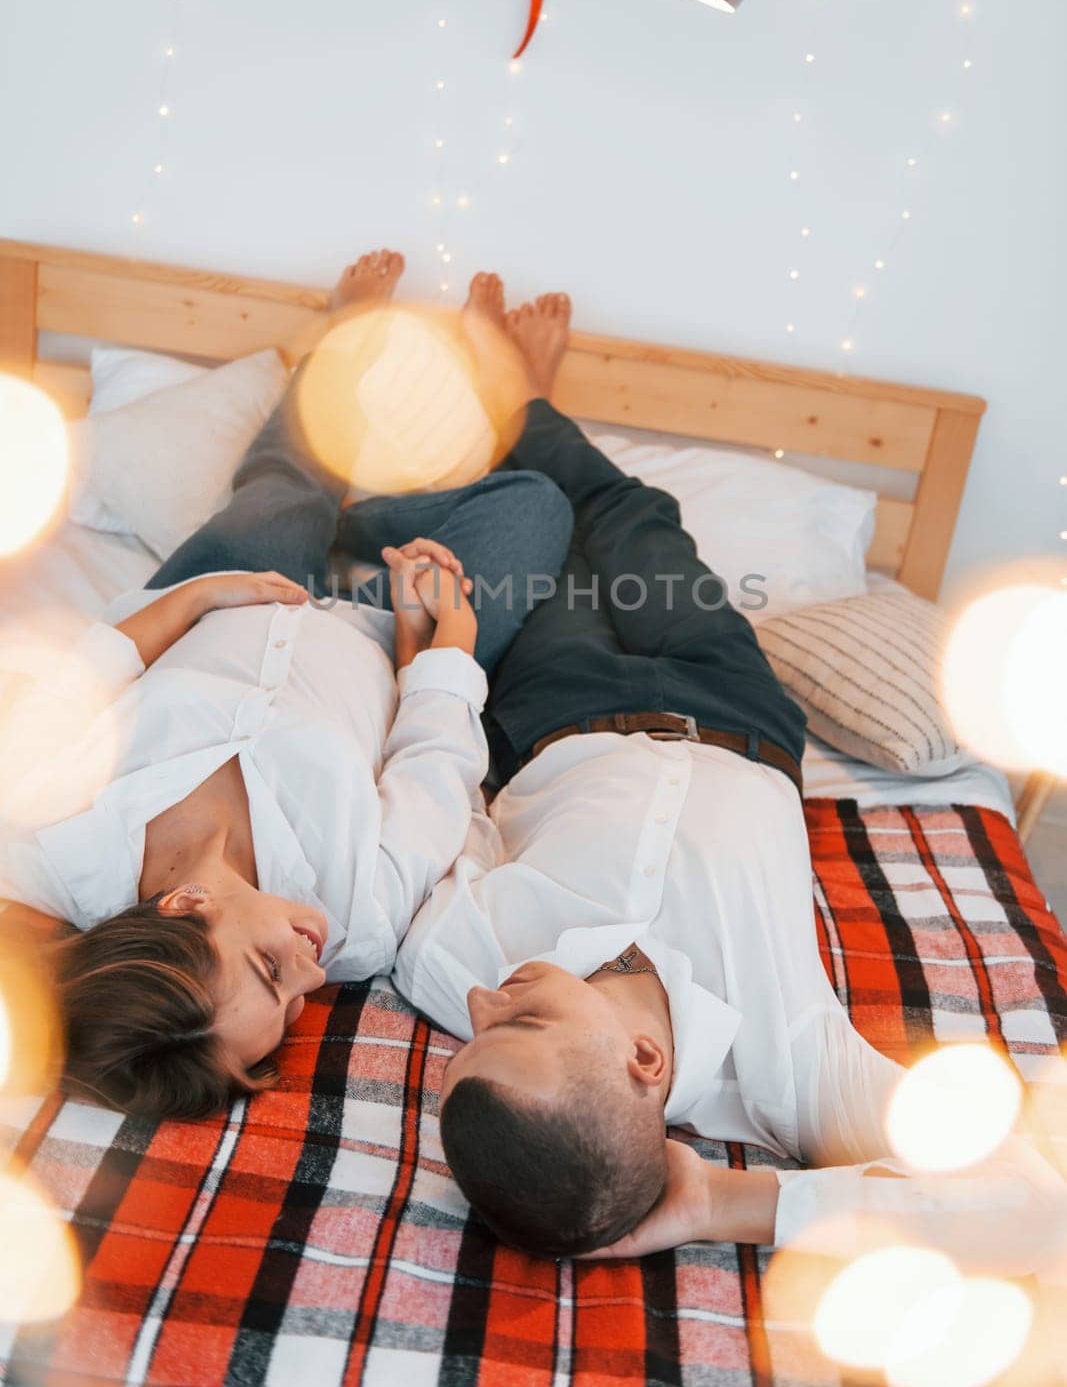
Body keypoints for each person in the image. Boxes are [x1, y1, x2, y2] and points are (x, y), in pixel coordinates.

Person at [395, 295, 1067, 1277]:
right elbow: (1030, 1204)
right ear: (644, 1063)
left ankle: (516, 404)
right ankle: (520, 401)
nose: (485, 1004)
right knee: (641, 527)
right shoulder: (782, 1064)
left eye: (471, 1039)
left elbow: (439, 792)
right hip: (735, 709)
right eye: (522, 1022)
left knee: (562, 531)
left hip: (557, 709)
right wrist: (729, 1200)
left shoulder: (457, 959)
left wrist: (433, 670)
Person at [0, 251, 573, 1122]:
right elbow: (432, 758)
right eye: (293, 1006)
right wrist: (437, 639)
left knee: (281, 487)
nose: (313, 970)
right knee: (534, 506)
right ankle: (427, 470)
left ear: (184, 905)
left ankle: (341, 354)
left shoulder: (47, 834)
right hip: (389, 642)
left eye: (271, 969)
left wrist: (198, 595)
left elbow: (90, 674)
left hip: (227, 591)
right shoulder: (360, 921)